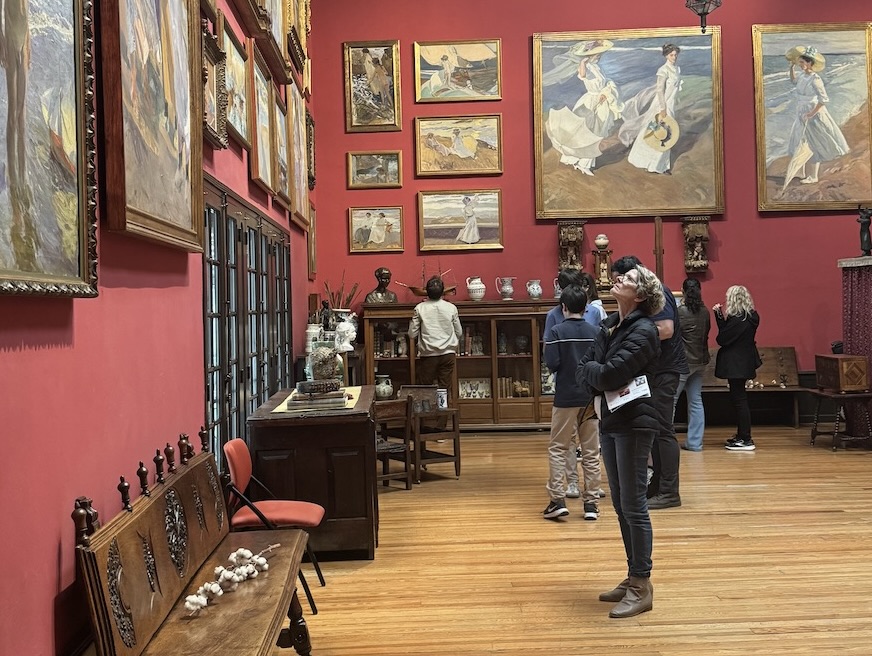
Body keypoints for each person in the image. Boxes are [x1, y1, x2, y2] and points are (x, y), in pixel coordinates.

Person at [578, 264, 664, 618]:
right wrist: (598, 374)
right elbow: (588, 366)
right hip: (612, 419)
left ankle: (643, 585)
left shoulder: (643, 330)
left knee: (633, 505)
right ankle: (632, 577)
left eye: (627, 280)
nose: (618, 280)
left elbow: (610, 372)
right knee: (620, 503)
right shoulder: (612, 325)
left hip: (634, 421)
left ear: (640, 295)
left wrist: (597, 374)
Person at [611, 256, 688, 510]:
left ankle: (669, 491)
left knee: (663, 430)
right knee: (654, 430)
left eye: (624, 278)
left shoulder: (658, 291)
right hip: (654, 371)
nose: (619, 282)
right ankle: (657, 487)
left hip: (665, 370)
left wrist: (632, 334)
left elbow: (665, 329)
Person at [542, 285, 601, 521]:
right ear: (586, 307)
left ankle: (557, 500)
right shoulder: (596, 332)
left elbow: (552, 363)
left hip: (565, 396)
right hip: (590, 397)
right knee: (591, 451)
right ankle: (591, 504)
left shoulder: (556, 331)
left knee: (559, 447)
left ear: (563, 307)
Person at [545, 40, 622, 176]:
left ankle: (584, 163)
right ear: (590, 55)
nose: (599, 56)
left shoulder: (597, 67)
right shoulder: (587, 67)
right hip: (590, 101)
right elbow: (583, 75)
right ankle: (578, 161)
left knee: (596, 132)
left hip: (600, 100)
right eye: (596, 54)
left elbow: (604, 82)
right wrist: (583, 62)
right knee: (586, 132)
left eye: (599, 54)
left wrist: (606, 92)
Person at [784, 46, 849, 185]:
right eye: (799, 62)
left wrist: (811, 114)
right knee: (801, 142)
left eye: (802, 62)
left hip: (813, 114)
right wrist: (791, 68)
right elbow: (793, 81)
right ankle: (803, 173)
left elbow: (823, 100)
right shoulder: (802, 75)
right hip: (802, 111)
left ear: (809, 63)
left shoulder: (815, 79)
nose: (800, 65)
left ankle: (813, 176)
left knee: (814, 144)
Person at [714, 286, 761, 452]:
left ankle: (746, 439)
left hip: (736, 363)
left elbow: (723, 338)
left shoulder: (737, 319)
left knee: (739, 401)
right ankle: (742, 435)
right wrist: (720, 316)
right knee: (739, 399)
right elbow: (730, 334)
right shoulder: (752, 317)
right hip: (746, 361)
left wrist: (719, 318)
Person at [622, 44, 682, 174]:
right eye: (671, 55)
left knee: (668, 132)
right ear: (666, 55)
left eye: (676, 55)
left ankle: (661, 165)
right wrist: (662, 108)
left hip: (671, 103)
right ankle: (645, 161)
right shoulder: (663, 70)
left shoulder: (677, 69)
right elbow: (660, 90)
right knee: (658, 130)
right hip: (663, 104)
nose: (674, 57)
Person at [408, 276, 463, 392]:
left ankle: (428, 409)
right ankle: (443, 408)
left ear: (426, 292)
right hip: (448, 354)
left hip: (428, 355)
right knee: (445, 387)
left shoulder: (419, 308)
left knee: (426, 389)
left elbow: (412, 334)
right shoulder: (451, 308)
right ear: (443, 291)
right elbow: (459, 332)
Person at [675, 278, 711, 451]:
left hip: (683, 363)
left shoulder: (680, 311)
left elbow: (673, 335)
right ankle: (695, 443)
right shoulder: (705, 312)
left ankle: (666, 442)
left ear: (683, 291)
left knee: (671, 401)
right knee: (696, 401)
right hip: (701, 361)